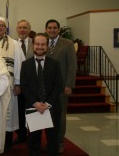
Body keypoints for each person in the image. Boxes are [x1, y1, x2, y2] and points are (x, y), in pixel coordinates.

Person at [20, 33, 63, 156]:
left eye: (43, 44)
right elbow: (24, 86)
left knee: (52, 139)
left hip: (52, 107)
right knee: (33, 139)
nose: (40, 47)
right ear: (33, 45)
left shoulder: (55, 64)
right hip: (33, 107)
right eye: (37, 44)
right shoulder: (26, 65)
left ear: (47, 46)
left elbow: (58, 86)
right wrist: (36, 103)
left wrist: (47, 103)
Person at [0, 16, 24, 152]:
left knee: (7, 117)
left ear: (5, 28)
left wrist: (18, 83)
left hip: (8, 87)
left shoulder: (15, 44)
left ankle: (7, 145)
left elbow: (20, 65)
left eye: (2, 25)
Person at [45, 19, 77, 154]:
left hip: (61, 88)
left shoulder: (68, 44)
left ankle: (59, 143)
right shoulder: (42, 42)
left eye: (54, 28)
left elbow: (72, 66)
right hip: (45, 88)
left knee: (60, 116)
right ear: (46, 29)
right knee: (47, 117)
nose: (52, 30)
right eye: (49, 28)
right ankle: (50, 142)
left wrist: (69, 85)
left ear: (58, 29)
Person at [14, 19, 34, 144]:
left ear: (29, 30)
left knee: (32, 110)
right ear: (16, 29)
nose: (22, 30)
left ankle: (33, 135)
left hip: (33, 84)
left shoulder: (35, 43)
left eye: (25, 28)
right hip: (19, 84)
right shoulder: (11, 44)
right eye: (20, 27)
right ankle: (21, 134)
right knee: (20, 110)